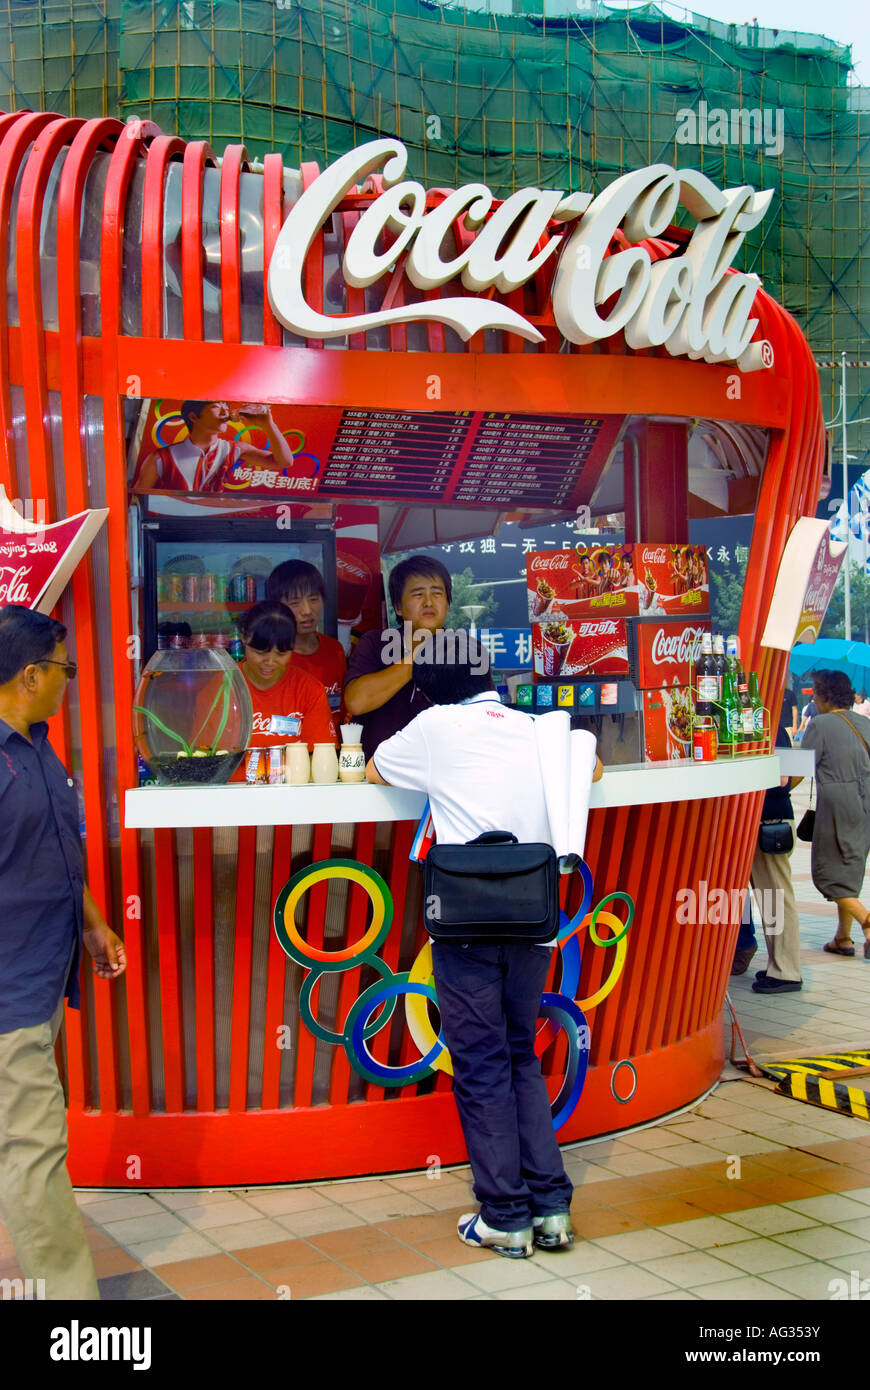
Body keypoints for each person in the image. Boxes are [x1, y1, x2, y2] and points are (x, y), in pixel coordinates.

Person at [366, 635, 603, 1259]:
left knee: (479, 1063)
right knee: (520, 1054)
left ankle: (504, 1214)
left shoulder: (434, 725)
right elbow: (592, 767)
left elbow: (375, 768)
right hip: (534, 919)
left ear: (429, 685)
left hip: (467, 922)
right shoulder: (537, 727)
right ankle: (551, 1207)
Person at [0, 605, 127, 1299]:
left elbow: (53, 849)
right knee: (34, 1148)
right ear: (29, 675)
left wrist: (92, 922)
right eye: (63, 669)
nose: (67, 682)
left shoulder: (38, 744)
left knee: (21, 1138)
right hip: (8, 987)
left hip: (46, 972)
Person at [343, 555, 451, 761]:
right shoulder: (375, 643)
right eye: (418, 594)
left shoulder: (464, 652)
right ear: (398, 607)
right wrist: (421, 654)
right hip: (378, 778)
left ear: (447, 604)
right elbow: (356, 702)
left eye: (437, 593)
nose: (429, 602)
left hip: (441, 778)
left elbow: (483, 717)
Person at [801, 669, 870, 959]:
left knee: (827, 875)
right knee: (849, 870)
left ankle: (867, 923)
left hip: (837, 806)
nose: (814, 700)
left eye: (816, 694)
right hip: (865, 804)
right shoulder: (865, 724)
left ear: (826, 697)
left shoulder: (820, 725)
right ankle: (842, 938)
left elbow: (799, 769)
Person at [224, 601, 336, 775]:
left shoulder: (309, 690)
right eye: (261, 653)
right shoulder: (220, 689)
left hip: (291, 795)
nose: (270, 662)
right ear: (244, 637)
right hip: (230, 794)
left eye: (281, 654)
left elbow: (320, 760)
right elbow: (204, 758)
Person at [749, 701, 804, 993]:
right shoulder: (781, 730)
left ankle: (787, 971)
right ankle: (779, 965)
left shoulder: (766, 727)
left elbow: (782, 778)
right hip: (779, 817)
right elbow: (796, 776)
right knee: (773, 896)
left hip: (769, 822)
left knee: (776, 897)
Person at [133, 400, 296, 493]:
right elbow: (137, 504)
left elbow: (284, 462)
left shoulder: (234, 449)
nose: (225, 412)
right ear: (193, 417)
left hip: (211, 526)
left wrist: (268, 425)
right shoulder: (160, 458)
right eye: (217, 406)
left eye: (227, 407)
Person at [265, 560, 346, 707]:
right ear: (276, 606)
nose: (307, 611)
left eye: (314, 599)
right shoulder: (267, 657)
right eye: (295, 602)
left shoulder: (335, 650)